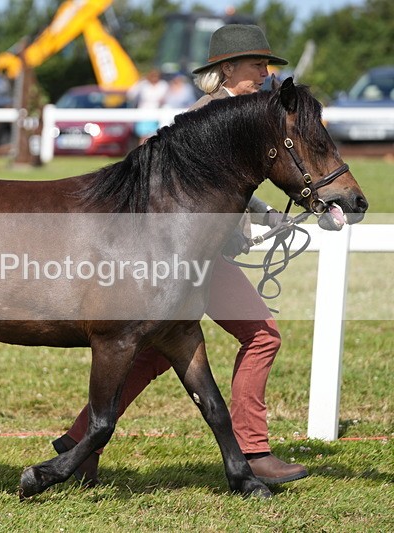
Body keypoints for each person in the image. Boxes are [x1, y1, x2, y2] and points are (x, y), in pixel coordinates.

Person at [53, 24, 308, 488]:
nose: (266, 74)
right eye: (257, 65)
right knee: (262, 337)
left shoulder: (235, 114)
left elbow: (235, 186)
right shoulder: (210, 117)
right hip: (196, 261)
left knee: (150, 353)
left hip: (202, 257)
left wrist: (269, 214)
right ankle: (253, 451)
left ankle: (76, 443)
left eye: (267, 66)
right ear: (227, 69)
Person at [127, 68, 169, 144]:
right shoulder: (143, 85)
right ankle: (142, 153)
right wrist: (139, 82)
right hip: (143, 113)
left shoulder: (163, 85)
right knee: (143, 136)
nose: (154, 78)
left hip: (157, 114)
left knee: (154, 136)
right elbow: (131, 94)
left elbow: (166, 98)